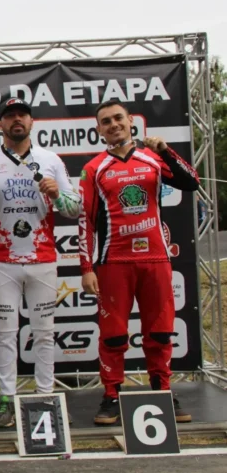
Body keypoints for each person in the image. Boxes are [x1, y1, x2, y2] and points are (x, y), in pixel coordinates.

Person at [79, 99, 200, 425]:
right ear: (99, 130)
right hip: (113, 261)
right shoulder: (94, 168)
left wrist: (166, 150)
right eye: (106, 121)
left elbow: (192, 182)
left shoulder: (153, 157)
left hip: (155, 258)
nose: (113, 124)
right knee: (113, 335)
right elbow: (85, 222)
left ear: (131, 121)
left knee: (160, 332)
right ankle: (110, 396)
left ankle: (162, 390)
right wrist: (87, 267)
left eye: (118, 118)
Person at [0, 98, 80, 428]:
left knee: (44, 334)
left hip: (43, 259)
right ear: (0, 125)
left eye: (22, 115)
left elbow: (74, 210)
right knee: (5, 334)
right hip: (1, 261)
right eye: (10, 116)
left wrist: (58, 193)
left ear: (32, 122)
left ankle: (45, 397)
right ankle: (7, 399)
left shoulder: (51, 160)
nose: (17, 120)